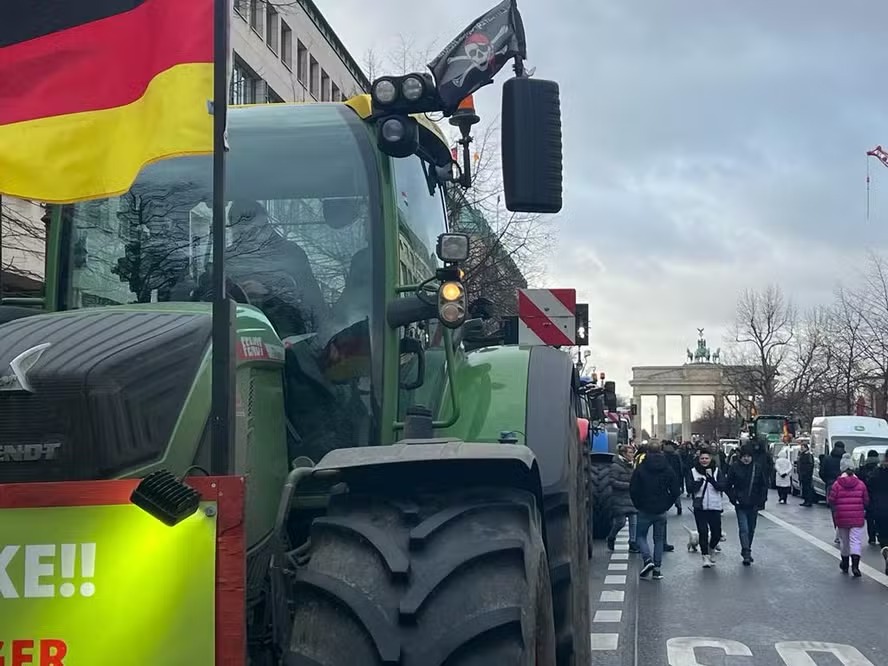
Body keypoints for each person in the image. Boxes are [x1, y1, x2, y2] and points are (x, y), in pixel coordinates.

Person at [630, 441, 680, 580]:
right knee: (659, 540)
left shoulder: (641, 468)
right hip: (661, 510)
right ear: (661, 451)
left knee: (640, 536)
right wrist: (667, 504)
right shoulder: (667, 468)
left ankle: (647, 560)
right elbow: (676, 490)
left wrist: (638, 504)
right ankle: (657, 570)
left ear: (647, 452)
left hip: (644, 508)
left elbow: (633, 489)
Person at [726, 445, 769, 565]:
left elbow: (763, 485)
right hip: (740, 504)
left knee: (751, 529)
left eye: (748, 456)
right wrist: (734, 499)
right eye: (744, 456)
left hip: (754, 504)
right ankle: (746, 552)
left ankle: (747, 548)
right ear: (740, 457)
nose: (746, 459)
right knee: (743, 528)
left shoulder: (758, 468)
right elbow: (728, 485)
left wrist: (762, 501)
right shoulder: (734, 468)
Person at [828, 458, 870, 577]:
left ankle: (845, 563)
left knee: (844, 541)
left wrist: (836, 509)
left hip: (842, 517)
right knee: (855, 541)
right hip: (857, 517)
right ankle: (855, 566)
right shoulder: (861, 484)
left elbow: (831, 500)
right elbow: (866, 500)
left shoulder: (837, 484)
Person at [687, 448, 725, 568]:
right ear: (699, 459)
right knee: (702, 532)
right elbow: (689, 488)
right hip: (700, 507)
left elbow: (723, 486)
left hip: (715, 506)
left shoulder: (717, 471)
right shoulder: (693, 471)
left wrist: (712, 481)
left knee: (717, 533)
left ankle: (711, 548)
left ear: (710, 459)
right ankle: (705, 557)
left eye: (706, 458)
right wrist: (697, 484)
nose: (704, 460)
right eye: (702, 458)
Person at [607, 444, 639, 553]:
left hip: (631, 498)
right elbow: (612, 481)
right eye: (630, 453)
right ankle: (611, 537)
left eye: (632, 452)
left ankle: (633, 543)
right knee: (620, 523)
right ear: (624, 454)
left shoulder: (632, 465)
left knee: (634, 521)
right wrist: (628, 485)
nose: (632, 455)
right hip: (619, 498)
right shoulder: (615, 466)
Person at [864, 453, 888, 574]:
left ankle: (886, 549)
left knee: (883, 534)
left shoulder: (876, 473)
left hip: (879, 508)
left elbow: (868, 486)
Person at [858, 450, 882, 544]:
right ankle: (880, 535)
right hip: (880, 498)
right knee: (880, 518)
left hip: (867, 497)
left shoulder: (862, 469)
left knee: (870, 518)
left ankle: (871, 537)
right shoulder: (880, 470)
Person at [797, 441, 816, 507]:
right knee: (804, 488)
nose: (801, 449)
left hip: (806, 475)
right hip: (802, 474)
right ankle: (806, 500)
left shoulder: (808, 455)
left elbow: (810, 465)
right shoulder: (802, 454)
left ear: (806, 448)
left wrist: (806, 473)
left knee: (808, 488)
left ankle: (809, 501)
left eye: (802, 447)